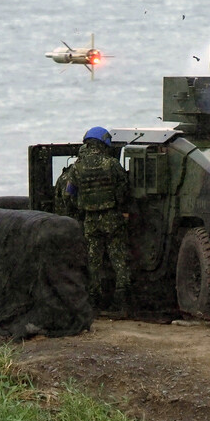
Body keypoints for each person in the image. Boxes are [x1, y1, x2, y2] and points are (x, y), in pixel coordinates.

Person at [66, 127, 132, 314]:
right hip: (112, 218)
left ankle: (94, 303)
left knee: (93, 262)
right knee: (119, 260)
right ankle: (122, 303)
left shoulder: (77, 167)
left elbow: (69, 194)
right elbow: (124, 190)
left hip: (91, 221)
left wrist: (83, 208)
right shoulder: (111, 164)